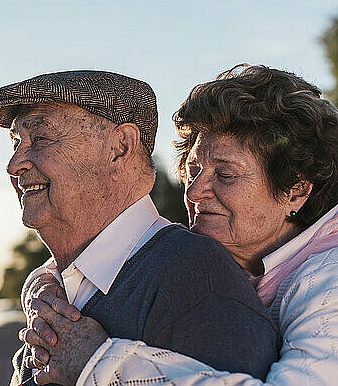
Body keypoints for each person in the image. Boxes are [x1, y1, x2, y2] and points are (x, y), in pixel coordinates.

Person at [20, 65, 338, 385]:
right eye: (193, 169)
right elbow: (111, 253)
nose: (195, 190)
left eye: (225, 175)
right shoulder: (215, 254)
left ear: (296, 189)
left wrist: (96, 362)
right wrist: (44, 287)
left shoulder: (329, 282)